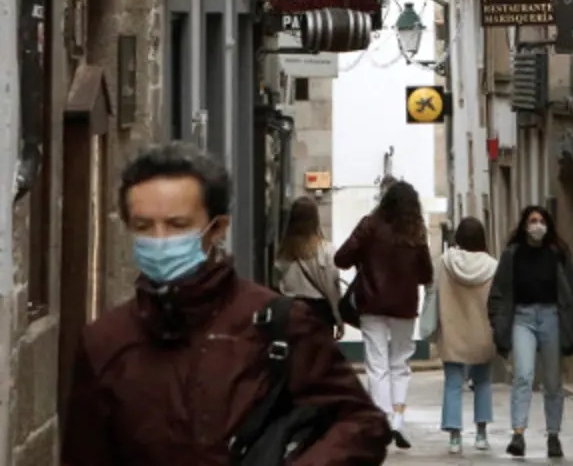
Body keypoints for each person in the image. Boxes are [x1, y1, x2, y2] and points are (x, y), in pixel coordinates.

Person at [62, 141, 390, 464]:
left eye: (177, 225)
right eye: (144, 226)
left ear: (216, 228)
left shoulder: (278, 325)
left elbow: (361, 424)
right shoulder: (105, 342)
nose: (159, 240)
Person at [335, 180, 434, 450]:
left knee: (377, 365)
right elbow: (426, 274)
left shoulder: (370, 225)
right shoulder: (416, 233)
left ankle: (382, 420)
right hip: (404, 306)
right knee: (400, 364)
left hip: (372, 304)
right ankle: (398, 420)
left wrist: (363, 259)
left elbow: (341, 258)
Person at [487, 205, 573, 459]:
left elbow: (572, 289)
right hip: (522, 318)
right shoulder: (512, 254)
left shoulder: (557, 253)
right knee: (523, 376)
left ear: (548, 225)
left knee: (552, 381)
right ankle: (518, 434)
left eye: (541, 220)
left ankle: (553, 435)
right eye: (532, 220)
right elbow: (499, 291)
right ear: (524, 225)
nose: (537, 225)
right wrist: (498, 321)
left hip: (552, 317)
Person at [433, 216, 499, 455]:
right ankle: (481, 435)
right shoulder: (492, 266)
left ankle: (454, 438)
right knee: (482, 383)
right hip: (483, 332)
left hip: (453, 330)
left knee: (452, 384)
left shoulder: (445, 262)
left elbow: (434, 293)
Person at [275, 195, 343, 338]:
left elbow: (276, 285)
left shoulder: (283, 253)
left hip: (292, 311)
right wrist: (338, 318)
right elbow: (332, 289)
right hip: (320, 313)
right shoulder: (326, 251)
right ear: (315, 220)